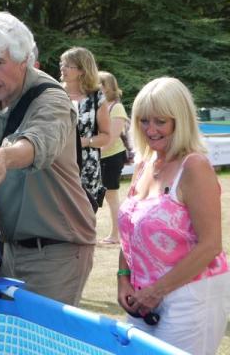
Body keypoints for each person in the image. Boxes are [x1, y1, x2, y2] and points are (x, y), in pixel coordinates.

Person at [0, 12, 96, 306]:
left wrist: (2, 156)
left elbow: (38, 143)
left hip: (56, 250)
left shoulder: (52, 98)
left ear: (24, 59)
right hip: (10, 249)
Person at [117, 77, 228, 354]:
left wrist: (157, 291)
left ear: (180, 121)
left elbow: (211, 245)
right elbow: (129, 229)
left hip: (191, 296)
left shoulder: (194, 167)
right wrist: (123, 278)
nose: (150, 129)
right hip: (144, 297)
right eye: (143, 120)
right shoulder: (145, 163)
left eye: (160, 121)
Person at [60, 47, 110, 209]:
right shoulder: (54, 93)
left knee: (86, 215)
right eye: (62, 64)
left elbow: (106, 136)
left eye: (68, 65)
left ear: (82, 70)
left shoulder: (96, 97)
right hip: (59, 164)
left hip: (87, 167)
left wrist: (85, 141)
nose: (62, 68)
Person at [97, 71, 129, 244]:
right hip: (102, 156)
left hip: (111, 157)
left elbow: (112, 136)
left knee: (111, 197)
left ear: (106, 86)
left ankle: (116, 235)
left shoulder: (116, 107)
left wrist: (96, 155)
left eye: (98, 83)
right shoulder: (100, 105)